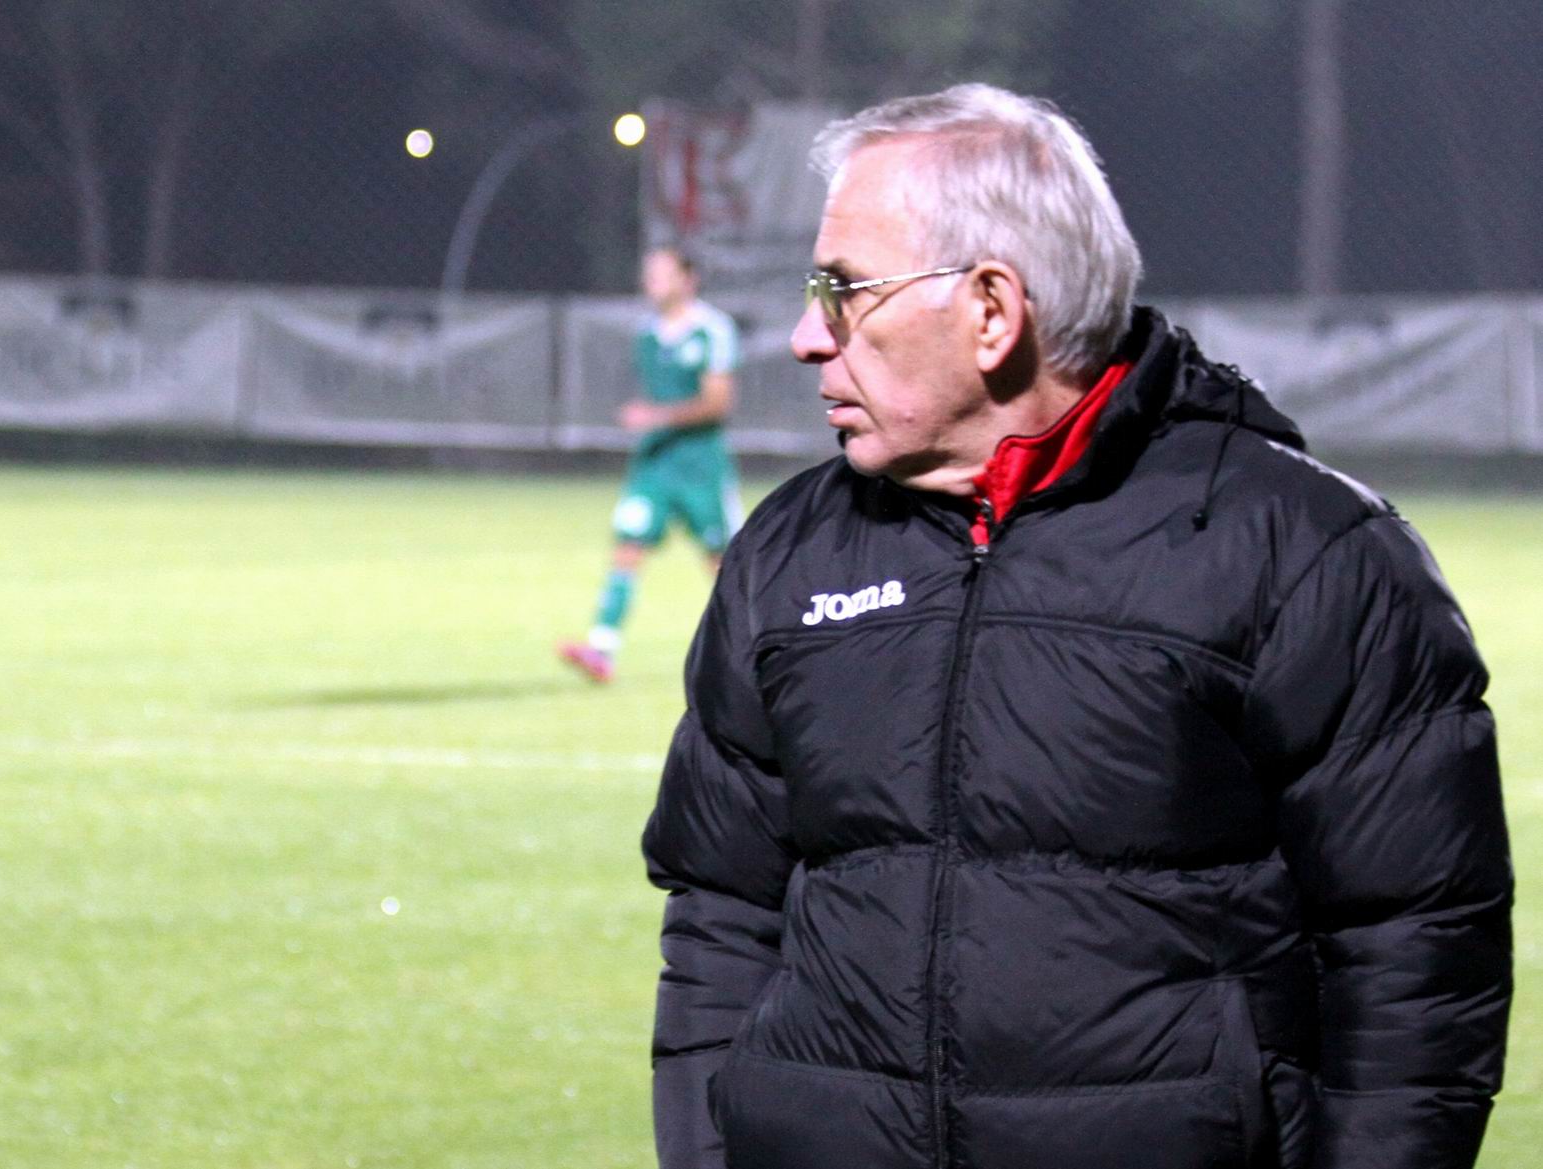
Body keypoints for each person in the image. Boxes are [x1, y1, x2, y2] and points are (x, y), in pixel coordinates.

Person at [642, 83, 1511, 1169]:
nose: (804, 336)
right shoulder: (788, 551)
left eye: (843, 290)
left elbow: (1416, 954)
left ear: (991, 309)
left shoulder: (1305, 550)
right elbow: (720, 915)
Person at [559, 245, 743, 684]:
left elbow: (718, 403)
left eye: (662, 273)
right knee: (628, 545)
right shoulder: (647, 334)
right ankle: (601, 649)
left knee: (721, 562)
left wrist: (657, 416)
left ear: (688, 279)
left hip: (701, 465)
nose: (651, 282)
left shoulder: (712, 330)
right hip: (655, 464)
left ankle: (750, 652)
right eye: (649, 273)